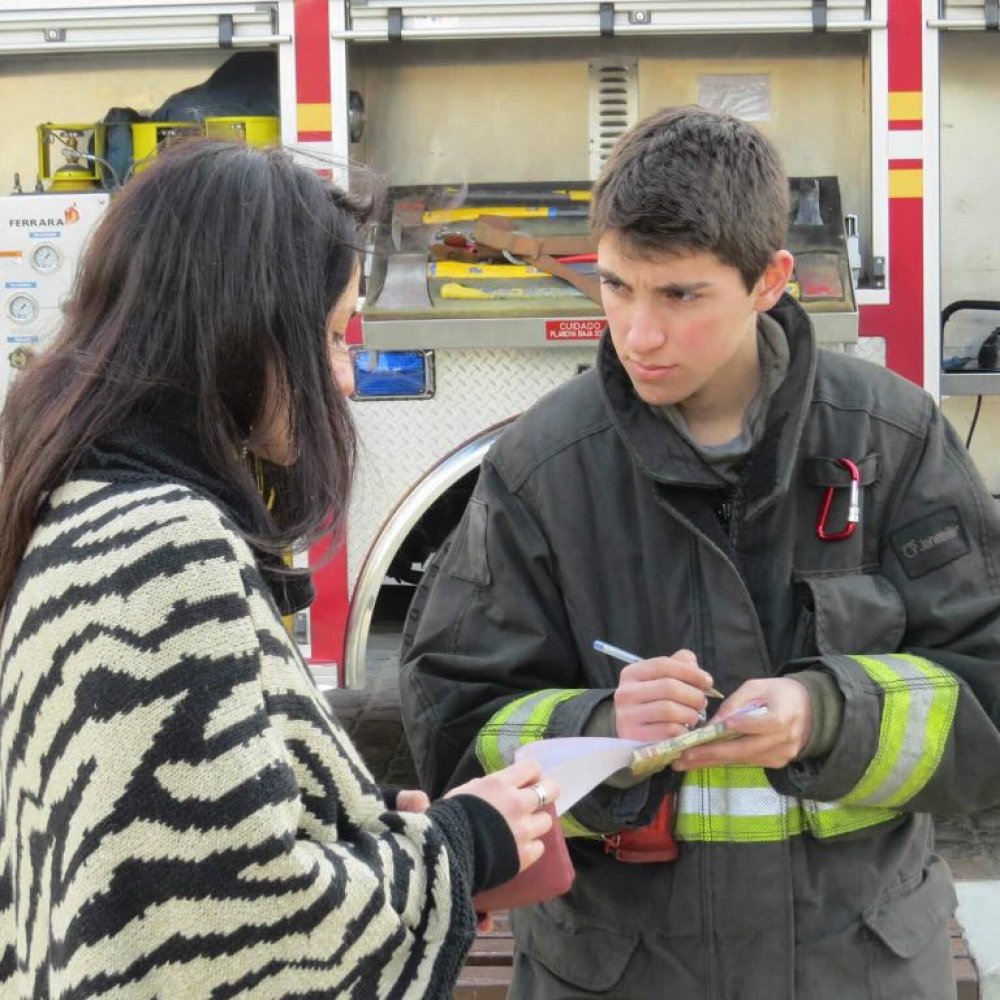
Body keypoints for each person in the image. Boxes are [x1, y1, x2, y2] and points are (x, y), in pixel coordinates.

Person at [400, 105, 1000, 999]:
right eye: (614, 286)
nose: (638, 333)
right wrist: (601, 730)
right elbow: (453, 721)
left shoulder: (893, 440)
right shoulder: (543, 465)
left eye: (680, 295)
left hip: (855, 971)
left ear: (770, 279)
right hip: (625, 972)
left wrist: (828, 715)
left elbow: (987, 691)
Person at [0, 138, 558, 1000]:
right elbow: (229, 927)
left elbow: (175, 835)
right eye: (329, 335)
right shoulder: (162, 545)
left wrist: (358, 827)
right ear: (238, 329)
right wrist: (469, 841)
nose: (344, 376)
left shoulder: (74, 501)